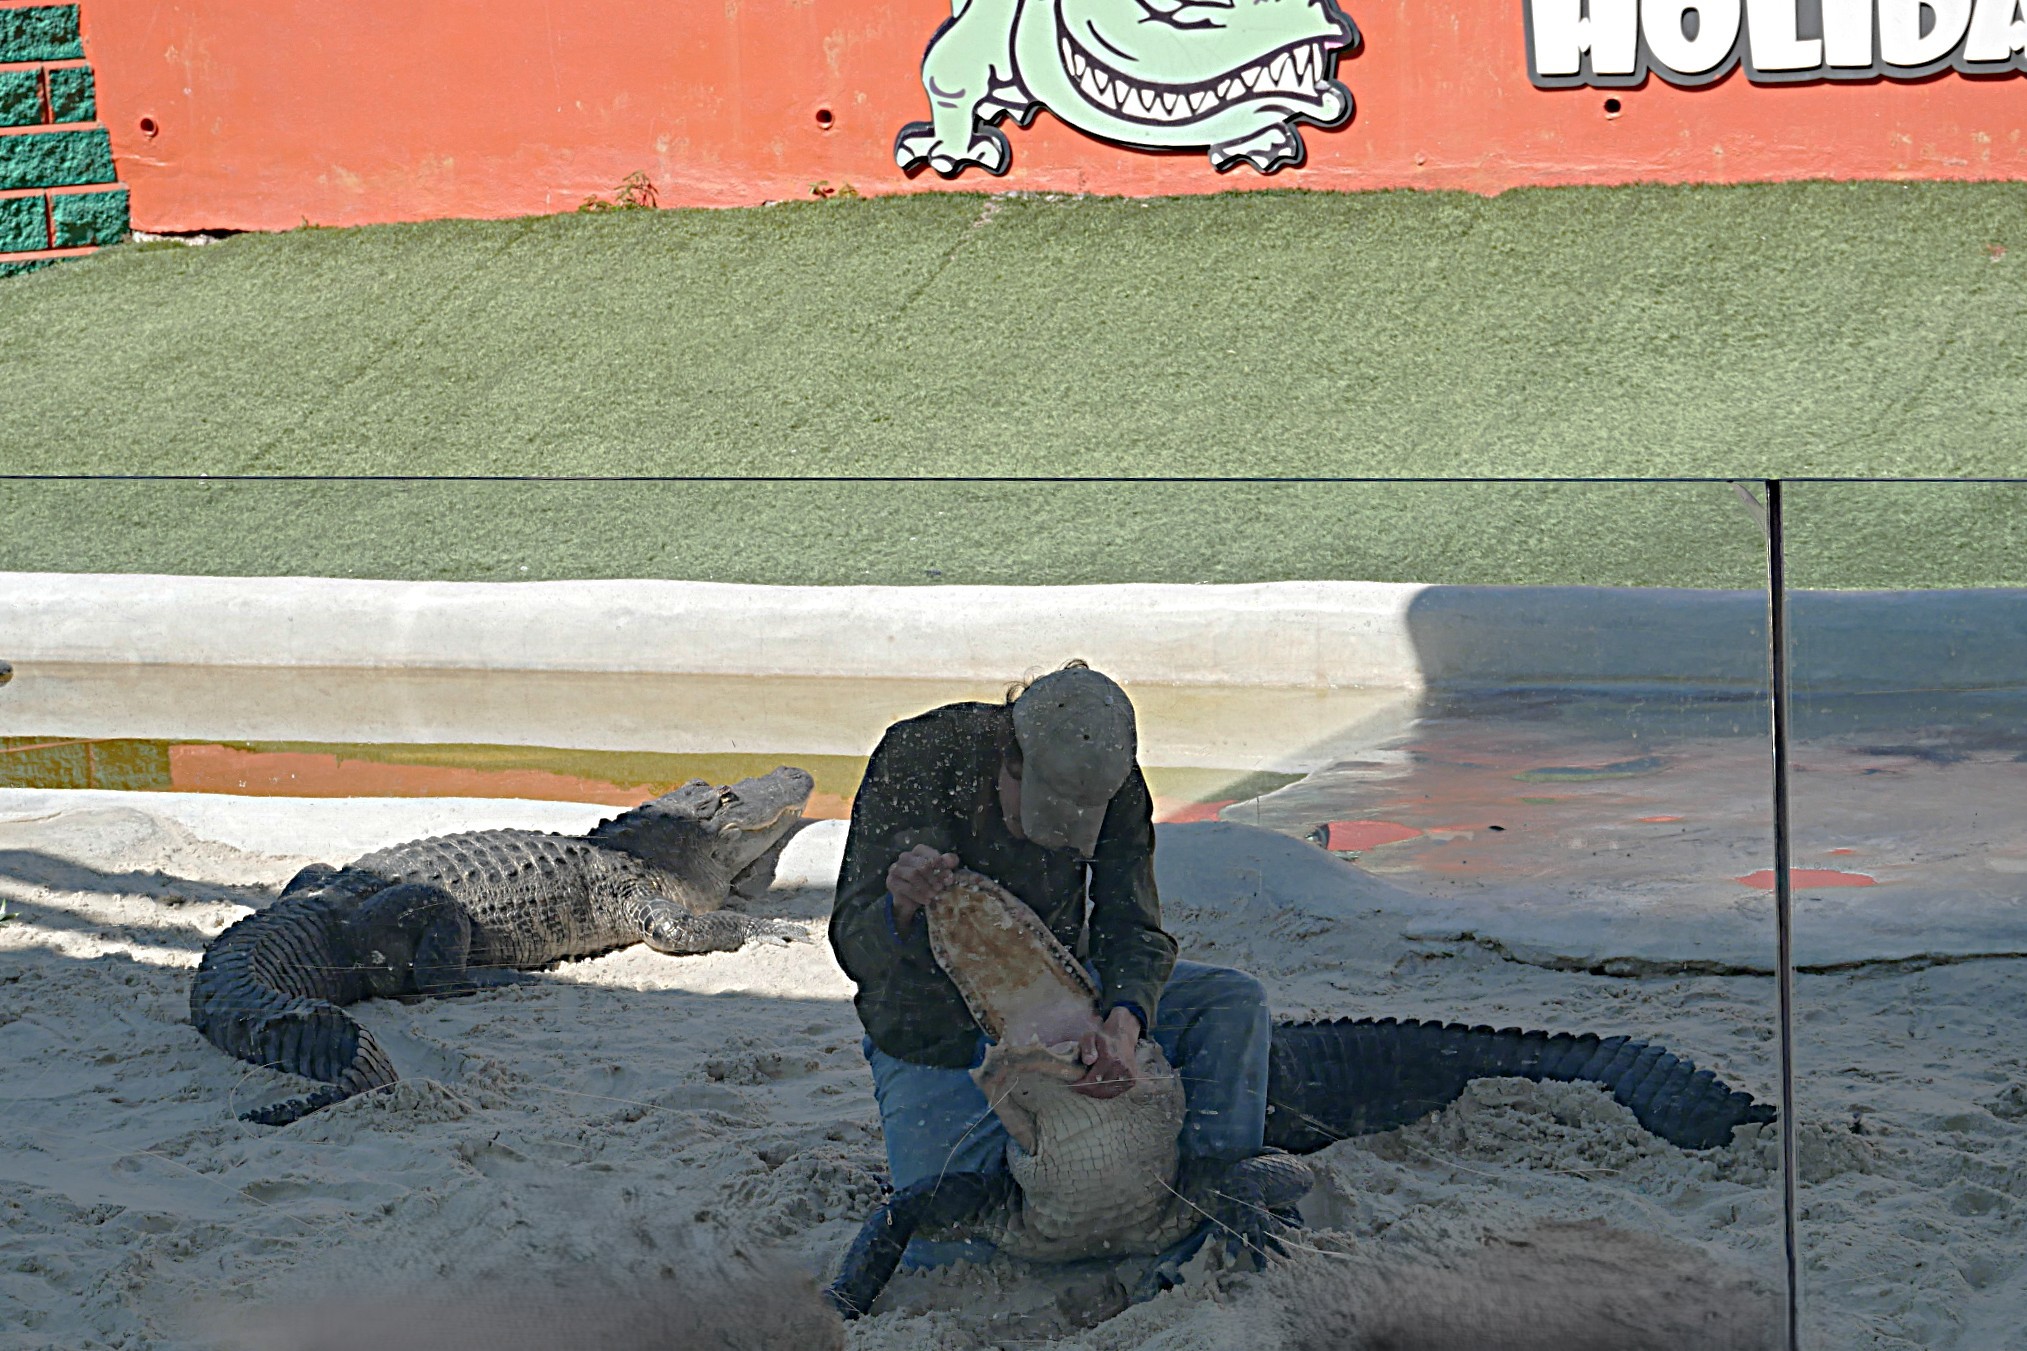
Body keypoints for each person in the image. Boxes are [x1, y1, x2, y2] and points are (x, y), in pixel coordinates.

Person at [828, 662, 1272, 1266]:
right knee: (947, 1255)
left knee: (1232, 1002)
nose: (1052, 834)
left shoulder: (1109, 773)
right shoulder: (920, 757)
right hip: (932, 1028)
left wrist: (1123, 1026)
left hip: (1066, 1005)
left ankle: (1215, 1207)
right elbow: (855, 949)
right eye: (1039, 812)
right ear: (1010, 759)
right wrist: (900, 906)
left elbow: (1132, 927)